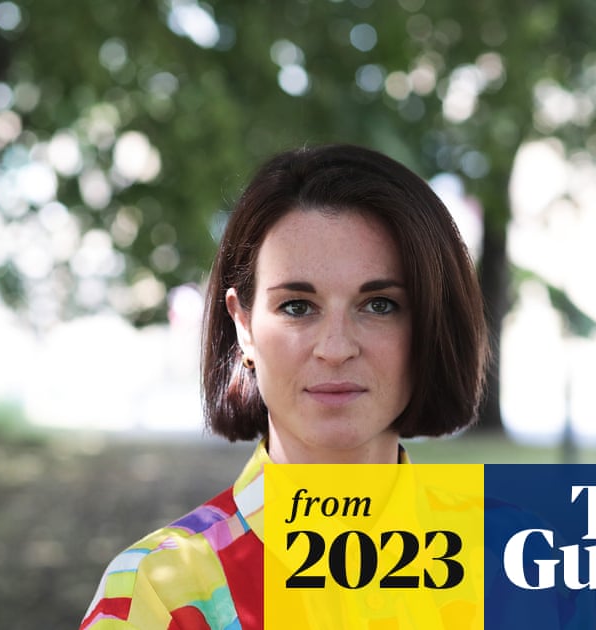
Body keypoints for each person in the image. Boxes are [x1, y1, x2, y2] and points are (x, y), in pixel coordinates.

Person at [81, 144, 486, 629]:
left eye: (379, 305)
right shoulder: (158, 592)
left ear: (431, 325)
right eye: (297, 306)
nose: (335, 348)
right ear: (243, 326)